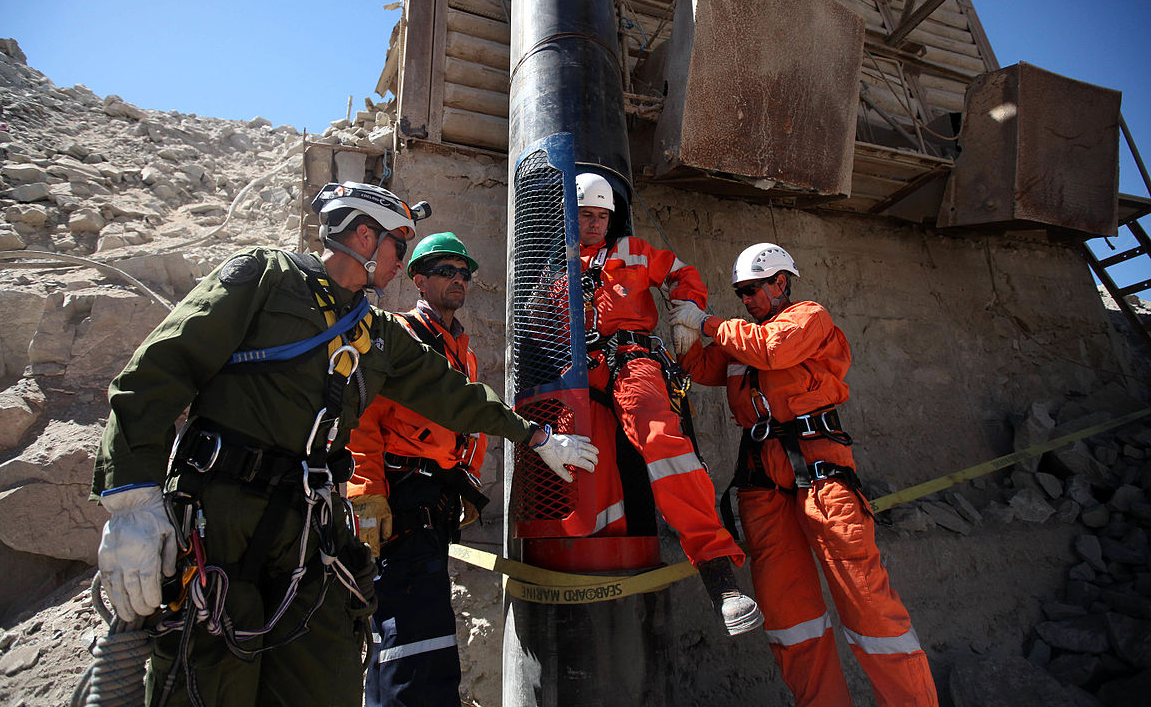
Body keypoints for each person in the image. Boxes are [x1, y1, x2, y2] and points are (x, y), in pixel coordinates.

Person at [91, 182, 598, 707]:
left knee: (322, 675)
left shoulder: (377, 333)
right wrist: (131, 502)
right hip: (220, 516)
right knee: (210, 677)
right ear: (363, 234)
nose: (403, 261)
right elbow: (157, 372)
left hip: (312, 527)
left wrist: (536, 436)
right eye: (399, 246)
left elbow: (454, 395)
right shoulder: (266, 277)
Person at [669, 242, 938, 706]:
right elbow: (696, 366)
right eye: (741, 293)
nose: (748, 300)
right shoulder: (740, 342)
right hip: (761, 480)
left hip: (821, 473)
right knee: (788, 614)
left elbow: (774, 351)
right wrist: (683, 323)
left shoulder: (808, 318)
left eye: (753, 289)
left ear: (781, 283)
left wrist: (708, 322)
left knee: (867, 602)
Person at [571, 172, 761, 637]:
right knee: (590, 473)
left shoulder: (632, 251)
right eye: (586, 216)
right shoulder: (556, 264)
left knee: (665, 444)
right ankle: (599, 581)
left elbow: (682, 274)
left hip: (631, 360)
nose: (595, 224)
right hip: (579, 375)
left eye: (602, 216)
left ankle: (719, 576)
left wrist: (687, 317)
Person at [347, 231, 488, 707]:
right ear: (419, 280)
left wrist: (466, 484)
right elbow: (361, 417)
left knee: (415, 622)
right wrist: (366, 492)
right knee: (413, 623)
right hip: (402, 494)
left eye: (463, 272)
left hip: (436, 498)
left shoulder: (461, 351)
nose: (458, 279)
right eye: (446, 270)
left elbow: (471, 422)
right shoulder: (399, 336)